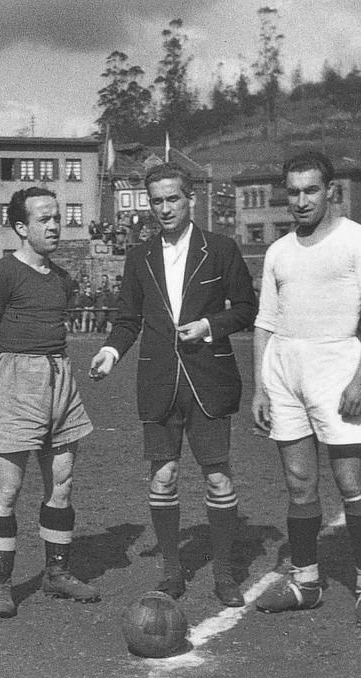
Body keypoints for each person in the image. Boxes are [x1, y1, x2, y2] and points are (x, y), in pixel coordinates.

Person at [90, 163, 258, 608]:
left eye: (172, 199)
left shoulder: (219, 249)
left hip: (209, 379)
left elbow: (246, 308)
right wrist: (110, 352)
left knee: (217, 478)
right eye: (157, 201)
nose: (164, 209)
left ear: (191, 200)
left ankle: (224, 573)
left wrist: (208, 325)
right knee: (163, 477)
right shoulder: (139, 256)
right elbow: (128, 319)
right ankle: (172, 570)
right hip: (159, 380)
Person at [250, 151, 361, 628]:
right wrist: (261, 387)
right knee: (298, 483)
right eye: (293, 192)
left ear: (331, 191)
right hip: (285, 370)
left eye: (311, 190)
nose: (301, 200)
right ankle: (305, 583)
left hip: (338, 369)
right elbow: (265, 323)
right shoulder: (278, 251)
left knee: (350, 480)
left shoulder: (359, 240)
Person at [0, 186, 98, 618]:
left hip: (61, 379)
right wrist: (17, 373)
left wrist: (47, 371)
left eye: (57, 217)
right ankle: (1, 583)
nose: (55, 226)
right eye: (44, 219)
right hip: (17, 382)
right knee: (8, 490)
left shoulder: (62, 279)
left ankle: (56, 574)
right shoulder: (1, 275)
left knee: (62, 483)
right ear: (22, 228)